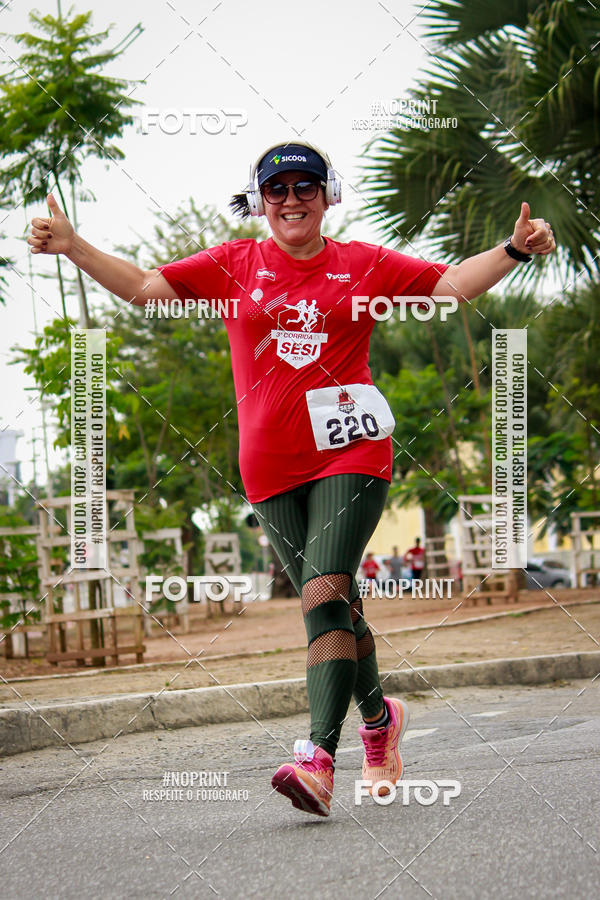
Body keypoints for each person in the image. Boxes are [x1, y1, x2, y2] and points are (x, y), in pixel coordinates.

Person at [28, 139, 556, 818]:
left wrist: (512, 250)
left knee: (322, 590)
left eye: (306, 186)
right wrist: (73, 245)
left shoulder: (363, 264)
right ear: (259, 201)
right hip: (269, 467)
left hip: (350, 451)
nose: (291, 199)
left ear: (327, 196)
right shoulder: (232, 264)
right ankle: (379, 721)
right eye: (276, 189)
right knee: (335, 603)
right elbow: (143, 288)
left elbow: (449, 286)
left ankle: (317, 759)